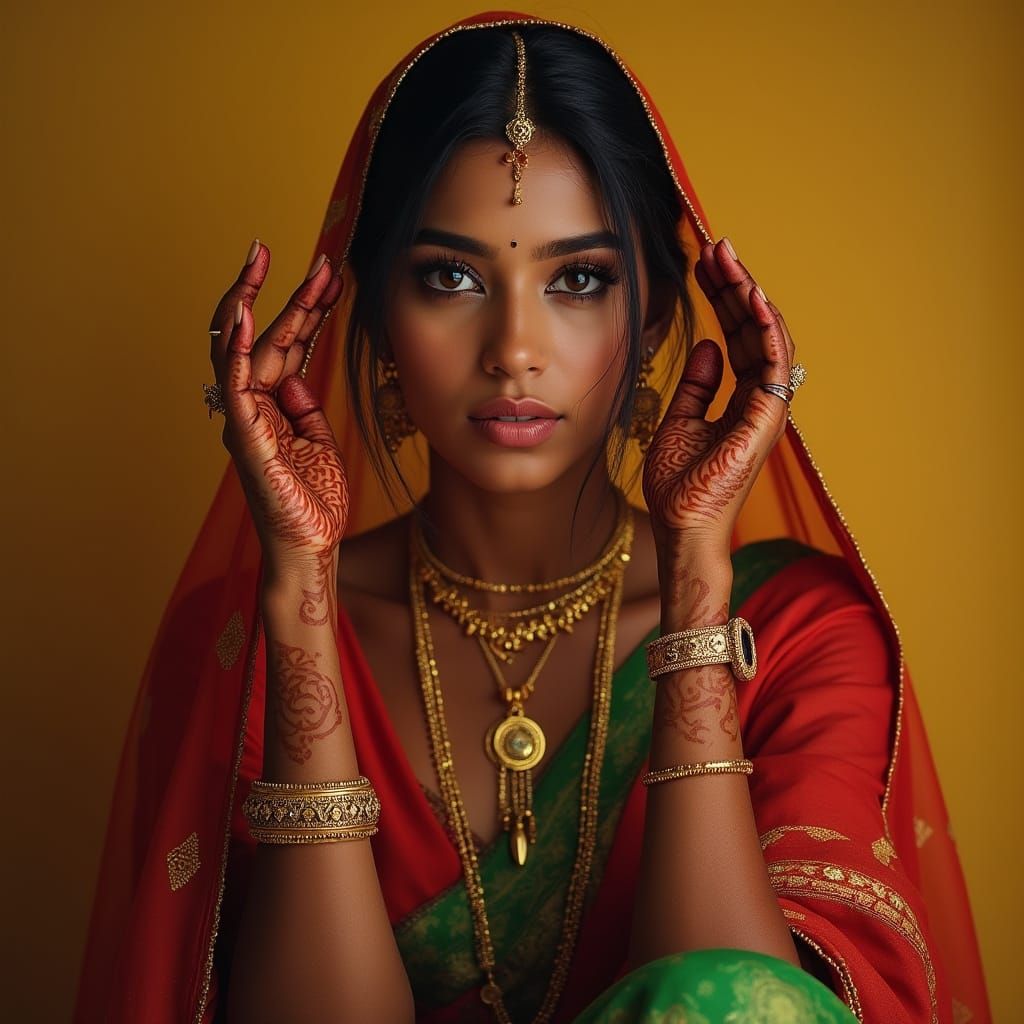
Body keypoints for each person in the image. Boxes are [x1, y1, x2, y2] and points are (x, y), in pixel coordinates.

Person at [74, 11, 991, 1024]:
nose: (515, 346)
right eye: (451, 277)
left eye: (578, 280)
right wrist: (299, 600)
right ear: (374, 317)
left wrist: (695, 587)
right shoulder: (238, 645)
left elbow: (733, 1006)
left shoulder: (800, 633)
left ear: (648, 322)